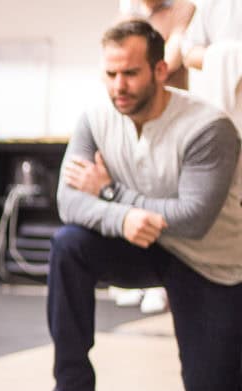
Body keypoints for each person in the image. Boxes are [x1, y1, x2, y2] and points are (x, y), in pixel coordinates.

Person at [31, 19, 242, 391]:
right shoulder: (94, 120)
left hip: (209, 261)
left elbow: (193, 219)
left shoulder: (209, 127)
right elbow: (69, 201)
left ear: (160, 71)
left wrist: (111, 194)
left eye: (130, 73)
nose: (119, 86)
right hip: (142, 245)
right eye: (110, 74)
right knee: (69, 245)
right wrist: (123, 217)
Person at [110, 0, 196, 314]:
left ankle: (159, 283)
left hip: (171, 122)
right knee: (130, 195)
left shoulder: (182, 10)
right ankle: (134, 278)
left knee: (164, 199)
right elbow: (112, 60)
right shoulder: (126, 15)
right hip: (134, 122)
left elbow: (169, 62)